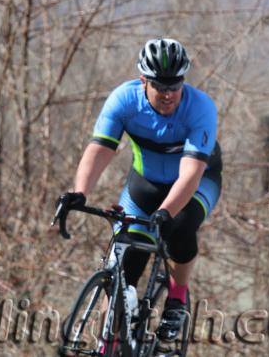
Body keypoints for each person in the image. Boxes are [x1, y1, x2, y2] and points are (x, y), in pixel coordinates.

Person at [57, 37, 222, 341]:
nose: (169, 93)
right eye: (161, 85)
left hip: (196, 181)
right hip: (144, 185)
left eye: (175, 84)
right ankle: (110, 342)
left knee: (182, 225)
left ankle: (176, 301)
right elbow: (101, 148)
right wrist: (80, 192)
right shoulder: (124, 100)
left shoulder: (200, 108)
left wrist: (166, 212)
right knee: (126, 264)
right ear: (143, 79)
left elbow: (190, 174)